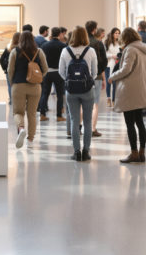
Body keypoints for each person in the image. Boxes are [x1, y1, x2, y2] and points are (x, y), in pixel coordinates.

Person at [108, 28, 146, 163]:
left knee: (130, 123)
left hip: (130, 90)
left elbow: (126, 69)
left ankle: (134, 153)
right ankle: (142, 153)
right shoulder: (145, 48)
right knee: (140, 121)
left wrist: (112, 76)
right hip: (141, 88)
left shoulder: (131, 49)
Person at [59, 26, 97, 162]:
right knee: (87, 121)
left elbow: (61, 72)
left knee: (75, 120)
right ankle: (86, 151)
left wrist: (70, 81)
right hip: (87, 90)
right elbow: (95, 72)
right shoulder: (91, 51)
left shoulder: (65, 51)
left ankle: (76, 152)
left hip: (71, 91)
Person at [8, 31, 48, 148]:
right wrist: (38, 78)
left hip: (18, 85)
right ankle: (30, 139)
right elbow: (45, 69)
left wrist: (12, 83)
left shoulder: (15, 51)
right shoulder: (39, 51)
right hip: (35, 87)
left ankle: (21, 129)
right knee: (32, 114)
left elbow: (10, 70)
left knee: (17, 112)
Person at [38, 27, 67, 122]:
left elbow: (41, 59)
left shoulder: (45, 45)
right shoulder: (63, 46)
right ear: (59, 34)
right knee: (59, 94)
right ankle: (59, 115)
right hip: (58, 72)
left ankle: (42, 114)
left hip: (47, 72)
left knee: (45, 93)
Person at [85, 21, 107, 137]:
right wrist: (102, 77)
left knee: (81, 103)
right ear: (94, 29)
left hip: (82, 77)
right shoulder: (98, 43)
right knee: (95, 104)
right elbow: (103, 62)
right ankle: (92, 129)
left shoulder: (80, 43)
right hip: (96, 76)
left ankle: (79, 127)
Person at [0, 32, 20, 106]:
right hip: (19, 71)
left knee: (10, 86)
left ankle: (11, 100)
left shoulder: (8, 48)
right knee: (18, 86)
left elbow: (1, 59)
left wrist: (5, 68)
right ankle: (17, 100)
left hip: (9, 70)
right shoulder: (22, 49)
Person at [104, 28, 121, 108]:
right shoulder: (107, 43)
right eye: (115, 33)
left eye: (118, 33)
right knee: (108, 82)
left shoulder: (120, 43)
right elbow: (105, 54)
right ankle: (108, 99)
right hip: (109, 65)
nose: (117, 34)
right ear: (112, 34)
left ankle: (114, 100)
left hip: (117, 65)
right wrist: (112, 56)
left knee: (115, 83)